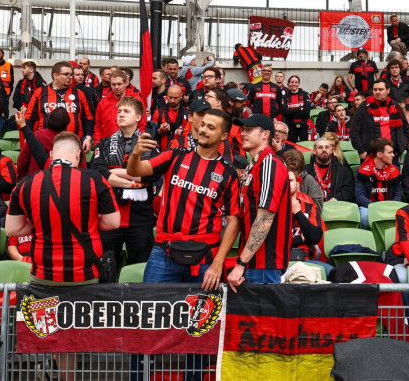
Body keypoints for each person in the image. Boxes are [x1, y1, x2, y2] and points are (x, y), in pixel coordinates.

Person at [127, 109, 239, 288]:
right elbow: (134, 171)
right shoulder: (174, 155)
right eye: (203, 124)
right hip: (164, 251)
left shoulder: (228, 174)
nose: (203, 130)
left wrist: (218, 263)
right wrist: (135, 154)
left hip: (204, 257)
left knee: (199, 307)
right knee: (153, 304)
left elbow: (233, 222)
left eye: (211, 127)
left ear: (224, 136)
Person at [6, 131, 120, 284]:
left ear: (51, 155)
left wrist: (45, 221)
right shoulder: (95, 180)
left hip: (43, 275)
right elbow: (113, 222)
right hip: (85, 275)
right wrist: (87, 219)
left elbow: (12, 229)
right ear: (78, 154)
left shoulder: (25, 183)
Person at [91, 96, 159, 266]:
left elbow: (150, 175)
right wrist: (134, 181)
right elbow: (98, 174)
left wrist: (114, 172)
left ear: (138, 117)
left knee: (139, 266)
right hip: (109, 215)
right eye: (119, 111)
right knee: (107, 267)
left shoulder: (149, 145)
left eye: (126, 111)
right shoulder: (104, 143)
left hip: (140, 218)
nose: (121, 114)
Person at [227, 114, 292, 288]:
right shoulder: (255, 165)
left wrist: (241, 264)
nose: (242, 133)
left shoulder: (270, 163)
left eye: (249, 130)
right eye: (242, 130)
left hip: (264, 264)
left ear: (265, 134)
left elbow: (265, 219)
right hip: (254, 262)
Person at [26, 61, 94, 153]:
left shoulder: (79, 93)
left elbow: (88, 118)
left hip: (73, 144)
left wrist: (88, 138)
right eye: (66, 74)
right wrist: (28, 138)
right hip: (45, 145)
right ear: (55, 75)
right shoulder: (40, 92)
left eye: (71, 74)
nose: (70, 77)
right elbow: (29, 118)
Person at [351, 79, 409, 160]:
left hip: (392, 156)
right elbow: (355, 130)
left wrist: (400, 150)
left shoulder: (396, 107)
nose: (377, 92)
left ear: (388, 90)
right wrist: (361, 150)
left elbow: (405, 130)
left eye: (380, 89)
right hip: (370, 155)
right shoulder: (364, 107)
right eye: (375, 89)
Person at [354, 138, 402, 228]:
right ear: (379, 154)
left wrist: (390, 206)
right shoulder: (362, 171)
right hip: (369, 206)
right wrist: (376, 207)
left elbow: (398, 195)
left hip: (389, 206)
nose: (393, 155)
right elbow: (359, 196)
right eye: (389, 153)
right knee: (364, 217)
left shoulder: (395, 171)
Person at [287, 168, 327, 270]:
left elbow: (315, 237)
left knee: (332, 272)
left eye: (290, 180)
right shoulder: (272, 208)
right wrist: (301, 239)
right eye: (284, 180)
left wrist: (298, 213)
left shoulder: (309, 206)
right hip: (279, 262)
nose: (287, 183)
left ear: (297, 184)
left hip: (306, 260)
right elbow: (275, 244)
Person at [304, 138, 354, 202]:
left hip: (336, 205)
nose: (324, 150)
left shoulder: (342, 170)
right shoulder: (305, 171)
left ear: (331, 151)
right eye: (320, 147)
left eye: (327, 147)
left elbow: (348, 191)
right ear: (314, 151)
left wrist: (335, 199)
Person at [282, 148, 324, 213]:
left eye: (295, 170)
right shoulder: (279, 180)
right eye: (289, 169)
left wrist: (300, 199)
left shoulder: (309, 181)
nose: (293, 173)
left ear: (300, 170)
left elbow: (318, 209)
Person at [92, 70, 129, 143]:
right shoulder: (104, 102)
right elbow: (97, 126)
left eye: (119, 84)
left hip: (128, 144)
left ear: (126, 83)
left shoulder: (134, 100)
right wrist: (98, 143)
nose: (116, 87)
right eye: (113, 84)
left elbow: (141, 125)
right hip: (107, 143)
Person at [151, 85, 188, 152]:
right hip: (161, 152)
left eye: (175, 98)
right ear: (167, 95)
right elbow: (151, 135)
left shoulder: (187, 114)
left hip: (180, 152)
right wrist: (159, 131)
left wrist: (183, 134)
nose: (172, 101)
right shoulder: (158, 112)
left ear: (181, 96)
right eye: (170, 97)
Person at [280, 75, 311, 142]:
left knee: (305, 145)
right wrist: (299, 109)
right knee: (291, 145)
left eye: (296, 82)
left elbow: (306, 111)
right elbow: (285, 112)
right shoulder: (285, 96)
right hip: (290, 125)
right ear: (288, 84)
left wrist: (291, 112)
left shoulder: (305, 94)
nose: (294, 84)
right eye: (292, 82)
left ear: (299, 84)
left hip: (304, 125)